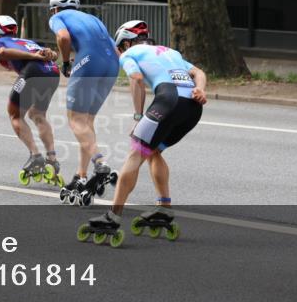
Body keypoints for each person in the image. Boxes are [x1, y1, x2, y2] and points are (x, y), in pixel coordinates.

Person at [84, 20, 207, 239]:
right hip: (193, 108)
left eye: (121, 48)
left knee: (136, 153)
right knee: (154, 152)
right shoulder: (170, 51)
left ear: (126, 43)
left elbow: (137, 78)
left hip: (168, 100)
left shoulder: (130, 54)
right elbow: (198, 72)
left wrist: (138, 116)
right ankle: (164, 207)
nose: (120, 52)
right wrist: (200, 89)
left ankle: (113, 216)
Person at [47, 0, 120, 203]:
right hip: (112, 64)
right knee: (87, 121)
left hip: (89, 61)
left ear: (55, 8)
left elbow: (63, 36)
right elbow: (115, 50)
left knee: (75, 120)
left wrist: (67, 61)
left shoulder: (58, 17)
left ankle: (100, 163)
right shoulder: (93, 18)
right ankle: (81, 174)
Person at [0, 15, 63, 186]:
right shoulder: (25, 41)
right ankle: (52, 159)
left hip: (34, 71)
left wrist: (34, 57)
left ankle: (36, 156)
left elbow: (3, 53)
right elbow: (51, 55)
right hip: (53, 72)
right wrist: (51, 53)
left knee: (15, 114)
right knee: (38, 114)